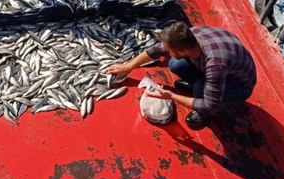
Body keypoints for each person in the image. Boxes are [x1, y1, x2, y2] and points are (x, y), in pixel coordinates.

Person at [108, 21, 257, 129]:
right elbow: (155, 51)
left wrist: (171, 96)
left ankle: (201, 113)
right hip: (221, 64)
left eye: (170, 51)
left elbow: (210, 105)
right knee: (175, 64)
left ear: (182, 51)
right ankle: (198, 85)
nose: (167, 53)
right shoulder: (191, 36)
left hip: (240, 85)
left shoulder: (215, 63)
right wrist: (128, 66)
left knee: (199, 90)